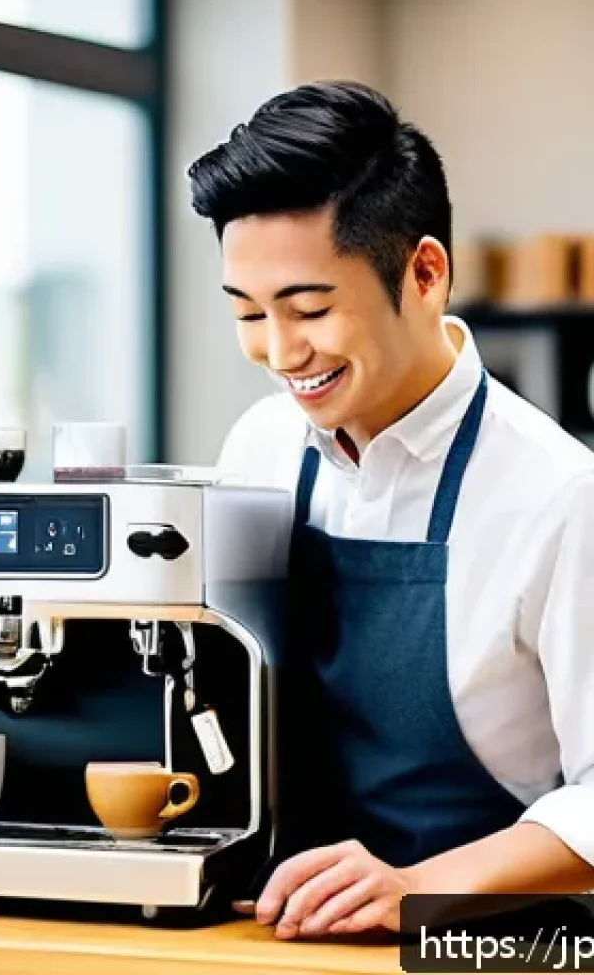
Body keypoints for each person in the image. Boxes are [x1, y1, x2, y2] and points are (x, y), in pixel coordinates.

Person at [187, 81, 594, 938]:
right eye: (249, 314)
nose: (280, 351)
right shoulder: (260, 448)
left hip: (492, 942)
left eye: (309, 308)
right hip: (284, 933)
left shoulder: (558, 494)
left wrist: (418, 887)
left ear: (425, 272)